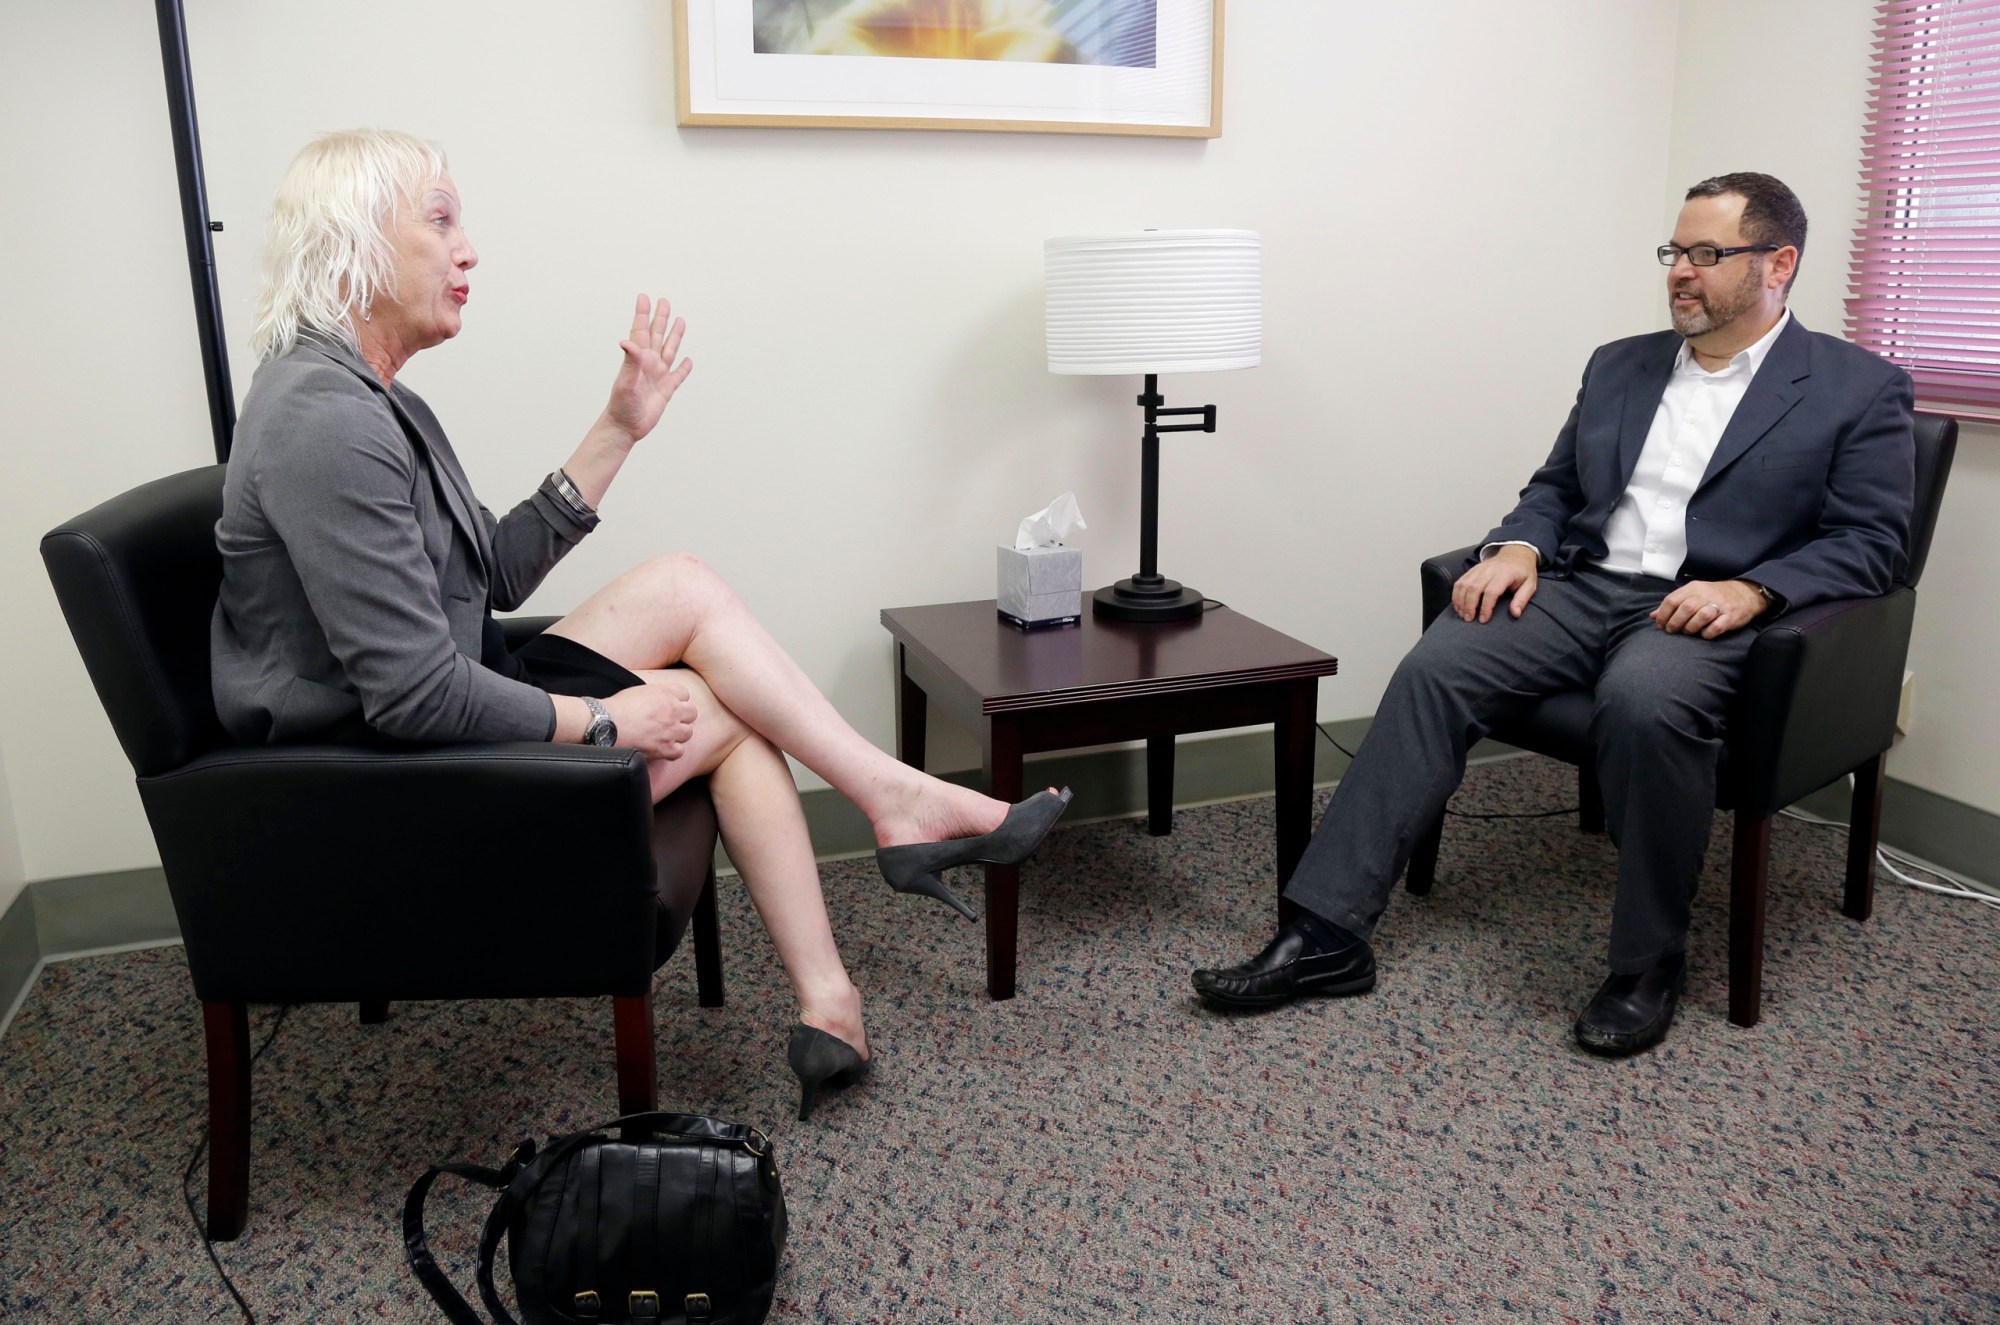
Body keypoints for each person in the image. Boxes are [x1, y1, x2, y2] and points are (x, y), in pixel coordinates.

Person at [211, 129, 1069, 1120]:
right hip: (395, 785)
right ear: (354, 242)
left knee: (684, 586)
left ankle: (862, 903)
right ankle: (863, 905)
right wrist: (607, 724)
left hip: (432, 713)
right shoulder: (328, 421)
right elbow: (412, 695)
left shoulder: (365, 398)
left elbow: (484, 571)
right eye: (439, 219)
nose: (468, 248)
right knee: (729, 708)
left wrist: (619, 425)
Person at [1191, 173, 1915, 1056]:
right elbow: (1558, 486)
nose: (1680, 272)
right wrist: (1520, 546)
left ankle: (1648, 965)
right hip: (1581, 586)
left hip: (1704, 611)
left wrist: (1755, 589)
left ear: (1779, 263)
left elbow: (1874, 543)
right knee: (1435, 667)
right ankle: (1326, 934)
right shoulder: (1622, 363)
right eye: (1674, 253)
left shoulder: (1857, 387)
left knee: (1645, 702)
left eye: (1705, 254)